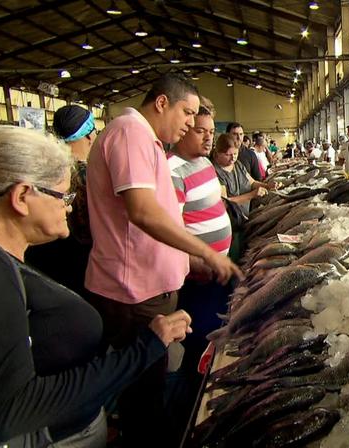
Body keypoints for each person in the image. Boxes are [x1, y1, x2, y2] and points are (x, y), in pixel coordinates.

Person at [0, 126, 191, 447]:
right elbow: (7, 411)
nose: (69, 206)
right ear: (21, 197)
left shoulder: (8, 258)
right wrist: (146, 347)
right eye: (62, 196)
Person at [85, 74, 241, 445]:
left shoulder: (146, 139)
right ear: (161, 103)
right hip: (134, 291)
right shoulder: (130, 134)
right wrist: (205, 252)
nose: (191, 122)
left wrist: (189, 261)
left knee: (151, 385)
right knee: (144, 392)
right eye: (187, 112)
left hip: (149, 286)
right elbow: (142, 212)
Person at [167, 106, 233, 372]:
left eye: (211, 131)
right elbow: (168, 234)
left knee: (217, 333)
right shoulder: (172, 170)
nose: (208, 138)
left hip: (217, 270)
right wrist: (196, 263)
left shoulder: (205, 162)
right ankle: (193, 386)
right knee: (200, 339)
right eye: (200, 131)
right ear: (183, 130)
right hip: (198, 277)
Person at [26, 105, 96, 297]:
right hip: (79, 262)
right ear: (90, 136)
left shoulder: (40, 170)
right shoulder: (91, 175)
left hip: (43, 261)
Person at [212, 134, 271, 260]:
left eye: (235, 154)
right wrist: (252, 195)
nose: (232, 158)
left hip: (244, 221)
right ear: (217, 153)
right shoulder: (215, 172)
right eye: (228, 154)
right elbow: (225, 202)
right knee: (233, 258)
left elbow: (252, 182)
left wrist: (268, 186)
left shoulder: (238, 165)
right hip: (229, 227)